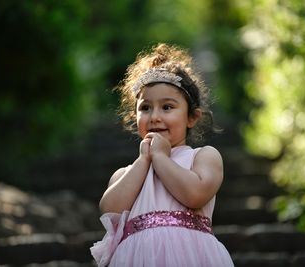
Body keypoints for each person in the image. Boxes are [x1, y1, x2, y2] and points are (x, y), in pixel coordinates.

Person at [90, 43, 234, 267]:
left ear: (192, 117)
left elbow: (195, 195)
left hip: (189, 255)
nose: (155, 117)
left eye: (167, 107)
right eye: (145, 108)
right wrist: (144, 160)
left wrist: (160, 158)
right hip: (136, 258)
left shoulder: (203, 157)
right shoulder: (125, 174)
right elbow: (109, 210)